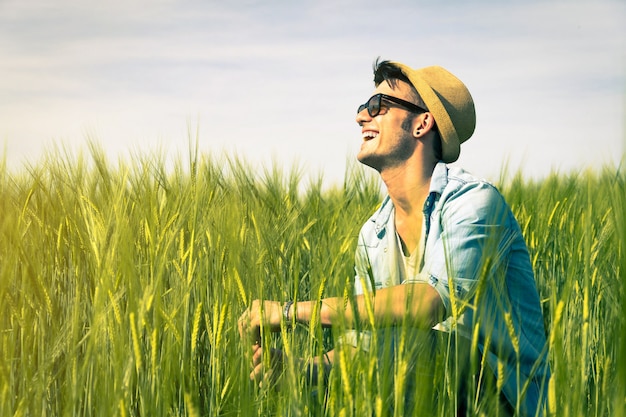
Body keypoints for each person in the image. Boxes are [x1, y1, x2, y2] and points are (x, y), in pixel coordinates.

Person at [238, 58, 551, 416]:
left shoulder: (475, 202)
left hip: (504, 400)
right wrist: (304, 369)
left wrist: (292, 312)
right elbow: (366, 348)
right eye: (362, 108)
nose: (361, 117)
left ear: (422, 123)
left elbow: (423, 304)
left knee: (408, 343)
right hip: (423, 384)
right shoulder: (373, 234)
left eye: (377, 107)